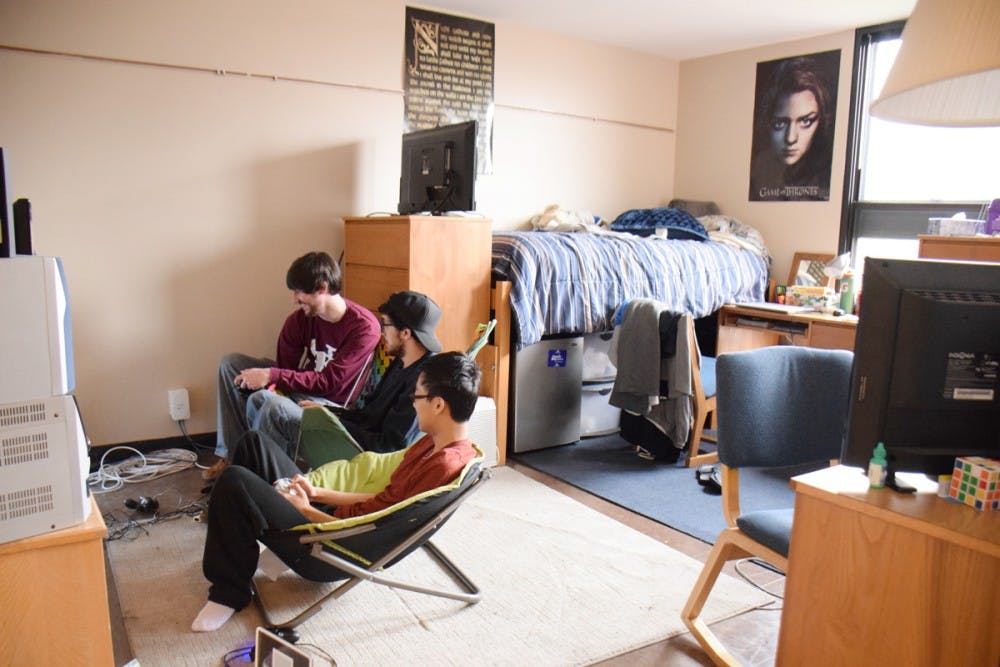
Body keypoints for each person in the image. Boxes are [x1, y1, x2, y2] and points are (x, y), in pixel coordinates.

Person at [191, 351, 481, 632]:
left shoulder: (442, 466)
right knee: (254, 443)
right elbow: (384, 502)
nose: (413, 403)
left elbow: (375, 528)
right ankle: (237, 553)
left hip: (334, 545)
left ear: (439, 405)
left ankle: (228, 594)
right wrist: (316, 493)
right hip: (337, 520)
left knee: (235, 481)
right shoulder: (433, 445)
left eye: (416, 396)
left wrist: (306, 510)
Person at [212, 251, 380, 468]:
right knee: (231, 364)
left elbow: (330, 383)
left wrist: (271, 377)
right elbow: (285, 367)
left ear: (322, 288)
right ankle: (232, 457)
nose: (294, 299)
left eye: (299, 292)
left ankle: (260, 475)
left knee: (272, 404)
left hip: (329, 402)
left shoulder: (363, 327)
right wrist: (269, 379)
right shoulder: (300, 319)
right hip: (304, 386)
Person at [254, 290, 442, 457]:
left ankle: (270, 483)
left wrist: (331, 421)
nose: (382, 331)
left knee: (274, 407)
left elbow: (388, 447)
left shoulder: (423, 382)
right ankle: (264, 476)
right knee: (260, 399)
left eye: (385, 325)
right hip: (354, 432)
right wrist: (327, 412)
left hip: (362, 452)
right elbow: (365, 416)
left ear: (405, 333)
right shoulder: (402, 362)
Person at [749, 55, 835, 201]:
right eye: (779, 124)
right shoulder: (761, 167)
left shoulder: (824, 177)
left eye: (806, 121)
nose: (790, 138)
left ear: (821, 122)